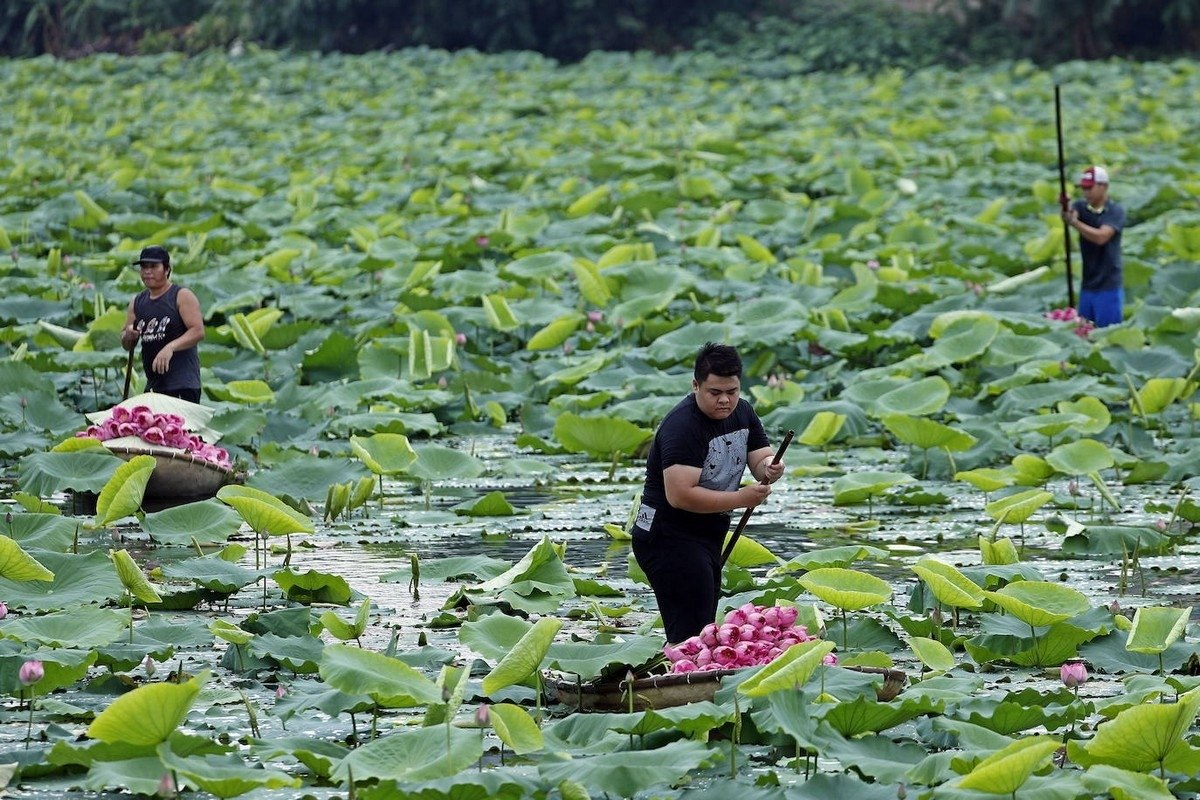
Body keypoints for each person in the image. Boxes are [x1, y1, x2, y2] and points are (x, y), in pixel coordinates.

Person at [631, 342, 785, 644]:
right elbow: (681, 495)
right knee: (691, 634)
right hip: (667, 536)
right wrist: (742, 498)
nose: (725, 400)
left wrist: (770, 467)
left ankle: (689, 680)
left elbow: (760, 458)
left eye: (732, 391)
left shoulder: (743, 412)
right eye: (715, 393)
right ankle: (679, 682)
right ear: (695, 385)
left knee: (702, 629)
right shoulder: (683, 426)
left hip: (707, 534)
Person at [120, 245, 204, 403]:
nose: (148, 271)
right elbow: (126, 343)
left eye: (154, 266)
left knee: (182, 428)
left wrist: (170, 348)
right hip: (155, 384)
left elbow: (198, 331)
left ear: (167, 269)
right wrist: (129, 335)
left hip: (183, 383)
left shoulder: (181, 296)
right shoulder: (137, 302)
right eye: (144, 267)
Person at [1063, 165, 1126, 327]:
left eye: (1089, 188)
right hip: (1087, 285)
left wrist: (1075, 223)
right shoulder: (1080, 207)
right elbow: (1072, 213)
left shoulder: (1115, 212)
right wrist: (1065, 207)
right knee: (1083, 333)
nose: (1086, 193)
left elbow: (1101, 237)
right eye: (1083, 188)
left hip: (1108, 286)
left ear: (1103, 186)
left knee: (1107, 334)